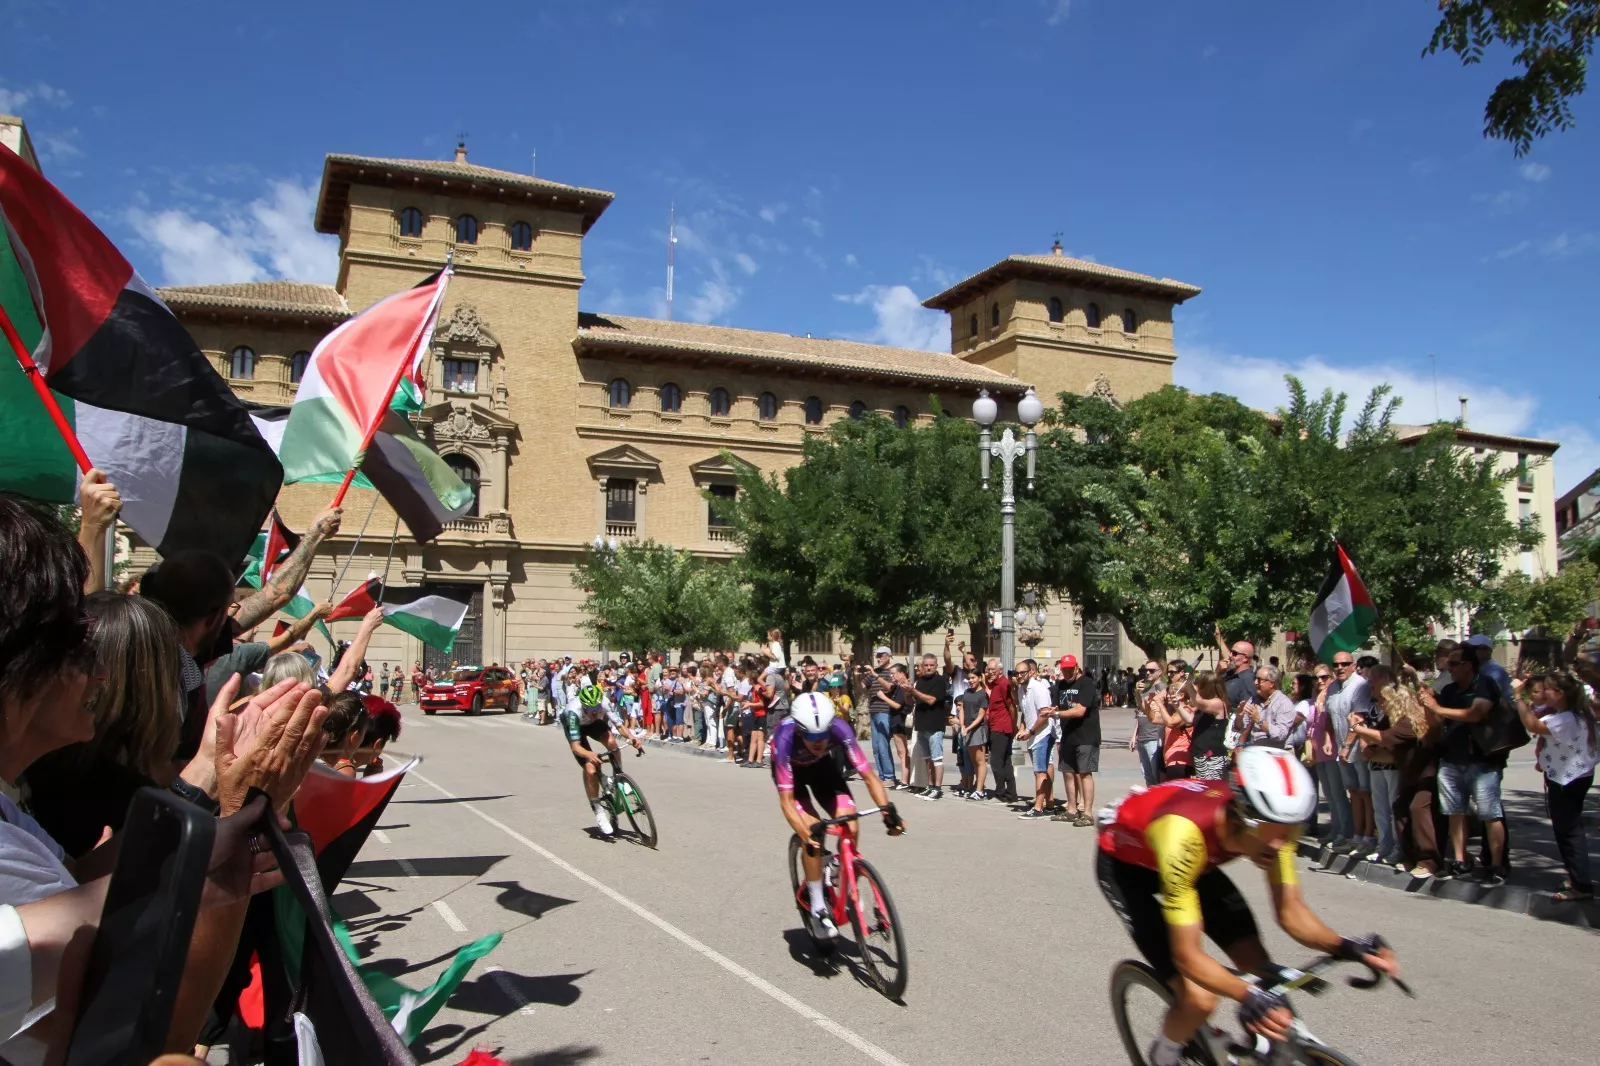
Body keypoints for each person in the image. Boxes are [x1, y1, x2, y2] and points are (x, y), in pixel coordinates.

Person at [1097, 746, 1400, 1066]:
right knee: (1199, 998)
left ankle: (1282, 1051)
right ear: (1242, 814)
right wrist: (1246, 994)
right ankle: (1164, 1055)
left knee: (1259, 966)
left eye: (1291, 831)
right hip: (1128, 867)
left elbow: (1291, 913)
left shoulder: (1273, 826)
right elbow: (1188, 956)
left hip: (1195, 864)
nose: (1283, 845)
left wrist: (1346, 946)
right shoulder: (1183, 837)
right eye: (1276, 834)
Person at [772, 693, 903, 939]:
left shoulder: (840, 729)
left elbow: (869, 776)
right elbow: (787, 802)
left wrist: (888, 812)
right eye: (811, 736)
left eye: (823, 734)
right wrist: (804, 833)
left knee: (850, 823)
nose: (819, 741)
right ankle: (818, 906)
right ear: (800, 730)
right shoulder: (785, 737)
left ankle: (843, 874)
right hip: (793, 777)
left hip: (823, 769)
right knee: (812, 832)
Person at [1417, 649, 1508, 883]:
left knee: (1490, 813)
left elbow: (1476, 714)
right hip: (1451, 759)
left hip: (1482, 760)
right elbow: (1438, 723)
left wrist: (1438, 708)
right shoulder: (1449, 690)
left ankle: (1497, 865)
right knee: (1455, 812)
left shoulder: (1484, 684)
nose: (1449, 669)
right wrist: (1429, 705)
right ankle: (1460, 860)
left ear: (1468, 665)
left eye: (1454, 664)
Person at [1512, 672, 1596, 901]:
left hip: (1567, 780)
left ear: (1559, 694)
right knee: (1567, 829)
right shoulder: (1574, 713)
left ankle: (1582, 885)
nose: (1542, 692)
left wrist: (1517, 696)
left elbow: (1532, 724)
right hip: (1573, 775)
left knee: (1569, 832)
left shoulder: (1565, 718)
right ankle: (1576, 877)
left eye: (1546, 689)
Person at [560, 683, 642, 837]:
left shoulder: (603, 702)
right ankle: (597, 809)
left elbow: (619, 725)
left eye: (597, 707)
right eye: (591, 709)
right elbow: (576, 747)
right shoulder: (572, 712)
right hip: (577, 726)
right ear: (584, 705)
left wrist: (632, 737)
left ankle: (619, 778)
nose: (595, 711)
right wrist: (590, 755)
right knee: (590, 768)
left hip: (593, 724)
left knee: (612, 742)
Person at [1326, 652, 1376, 857]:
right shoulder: (1332, 687)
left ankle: (1369, 837)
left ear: (1353, 665)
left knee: (1365, 792)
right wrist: (1330, 740)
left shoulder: (1360, 685)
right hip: (1341, 749)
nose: (1340, 667)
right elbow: (1329, 716)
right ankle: (1356, 836)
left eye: (1345, 664)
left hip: (1357, 749)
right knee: (1353, 792)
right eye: (1336, 664)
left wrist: (1346, 745)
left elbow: (1358, 718)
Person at [1053, 654, 1099, 826]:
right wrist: (1051, 710)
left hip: (1086, 735)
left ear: (1077, 667)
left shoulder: (1086, 683)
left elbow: (1080, 711)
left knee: (1085, 773)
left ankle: (1087, 813)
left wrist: (1056, 713)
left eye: (1070, 669)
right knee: (1067, 772)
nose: (1066, 672)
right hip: (1067, 735)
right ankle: (1071, 809)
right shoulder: (1061, 685)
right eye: (1064, 669)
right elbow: (1058, 706)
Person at [1016, 658, 1056, 818]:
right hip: (1033, 734)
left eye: (1022, 673)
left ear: (1030, 672)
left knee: (1039, 771)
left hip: (1042, 734)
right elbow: (1026, 713)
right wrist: (1022, 729)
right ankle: (1048, 803)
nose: (1019, 676)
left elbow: (1044, 714)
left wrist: (1030, 732)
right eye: (1017, 673)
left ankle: (1039, 807)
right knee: (1042, 770)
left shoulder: (1038, 688)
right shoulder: (1021, 690)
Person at [907, 653, 950, 800]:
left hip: (935, 725)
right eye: (926, 665)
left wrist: (913, 691)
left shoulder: (940, 681)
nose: (929, 667)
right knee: (927, 758)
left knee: (937, 758)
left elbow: (931, 700)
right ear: (922, 666)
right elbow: (911, 700)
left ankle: (937, 788)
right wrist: (906, 690)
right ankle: (930, 786)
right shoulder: (919, 681)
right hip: (921, 724)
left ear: (936, 666)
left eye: (932, 665)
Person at [863, 646, 900, 787]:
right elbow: (861, 686)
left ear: (889, 656)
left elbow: (890, 687)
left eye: (881, 655)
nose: (878, 658)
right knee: (876, 746)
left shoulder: (892, 671)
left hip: (885, 711)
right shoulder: (875, 671)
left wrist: (875, 675)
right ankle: (882, 775)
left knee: (884, 745)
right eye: (877, 656)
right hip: (873, 711)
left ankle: (890, 776)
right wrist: (855, 675)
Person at [984, 657, 1018, 801]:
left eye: (993, 670)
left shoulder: (1004, 684)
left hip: (1002, 728)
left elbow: (1012, 706)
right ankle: (1010, 793)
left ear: (1000, 671)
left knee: (996, 761)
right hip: (996, 726)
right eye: (988, 670)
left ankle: (1001, 791)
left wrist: (1014, 726)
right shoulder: (995, 684)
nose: (990, 672)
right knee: (1005, 761)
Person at [1131, 660, 1167, 787]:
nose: (1147, 673)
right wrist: (1134, 735)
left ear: (1160, 672)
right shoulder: (1146, 688)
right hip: (1142, 736)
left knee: (1156, 775)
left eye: (1151, 671)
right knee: (1147, 775)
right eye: (1145, 670)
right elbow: (1141, 711)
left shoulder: (1162, 689)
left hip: (1154, 737)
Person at [954, 668, 989, 798]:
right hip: (966, 729)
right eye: (969, 678)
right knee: (973, 761)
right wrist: (963, 725)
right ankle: (976, 787)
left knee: (980, 761)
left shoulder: (982, 694)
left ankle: (980, 790)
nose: (971, 681)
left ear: (980, 678)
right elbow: (962, 709)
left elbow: (981, 715)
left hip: (977, 730)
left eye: (973, 678)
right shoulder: (967, 692)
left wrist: (968, 728)